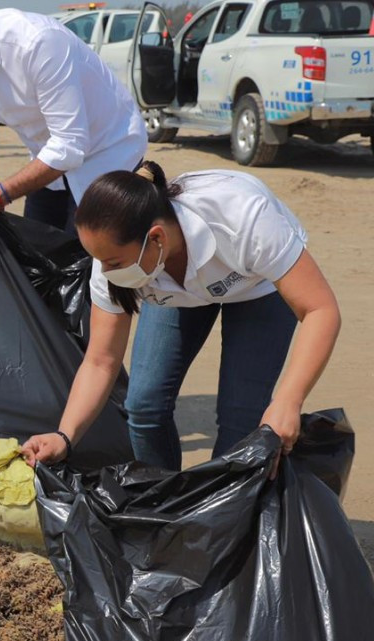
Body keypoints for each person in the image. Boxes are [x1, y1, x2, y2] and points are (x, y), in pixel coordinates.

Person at [20, 162, 342, 478]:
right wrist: (64, 436)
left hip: (257, 286)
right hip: (174, 291)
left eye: (113, 263)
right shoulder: (113, 261)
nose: (105, 272)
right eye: (100, 261)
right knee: (144, 406)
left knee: (240, 418)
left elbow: (320, 310)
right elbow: (100, 360)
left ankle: (223, 508)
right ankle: (162, 497)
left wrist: (288, 401)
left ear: (157, 238)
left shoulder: (244, 216)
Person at [0, 0, 147, 231]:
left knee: (90, 247)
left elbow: (69, 144)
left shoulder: (37, 42)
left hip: (108, 151)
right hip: (48, 160)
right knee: (37, 249)